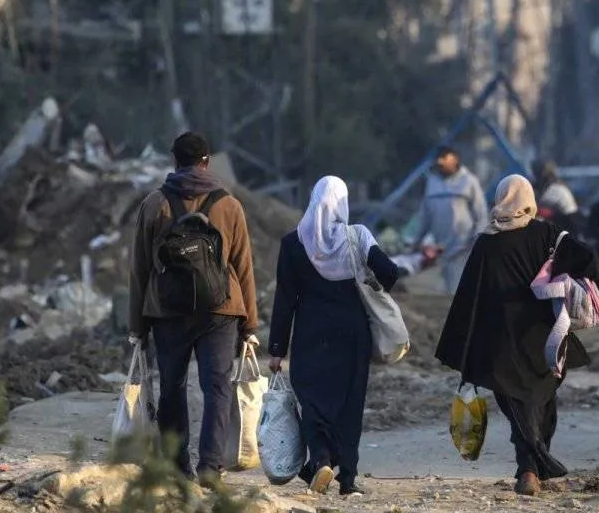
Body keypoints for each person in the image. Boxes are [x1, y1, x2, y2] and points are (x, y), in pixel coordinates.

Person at [435, 176, 599, 496]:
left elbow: (469, 298)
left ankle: (531, 468)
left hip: (500, 342)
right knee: (541, 403)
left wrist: (464, 349)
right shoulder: (548, 235)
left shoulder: (486, 242)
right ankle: (532, 468)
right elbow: (591, 262)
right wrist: (585, 292)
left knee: (519, 409)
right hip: (544, 339)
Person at [128, 132, 258, 483]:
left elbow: (139, 269)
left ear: (174, 161)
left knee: (173, 386)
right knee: (217, 385)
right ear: (207, 161)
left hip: (167, 311)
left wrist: (137, 326)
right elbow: (243, 266)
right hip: (221, 310)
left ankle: (177, 465)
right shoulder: (229, 205)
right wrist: (250, 324)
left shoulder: (155, 204)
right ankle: (210, 466)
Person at [268, 176, 398, 496]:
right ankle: (348, 479)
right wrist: (367, 280)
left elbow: (284, 299)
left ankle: (322, 459)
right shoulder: (358, 236)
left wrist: (276, 349)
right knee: (349, 403)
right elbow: (391, 273)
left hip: (310, 332)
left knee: (312, 400)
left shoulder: (293, 242)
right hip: (351, 333)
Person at [415, 146, 489, 294]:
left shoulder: (469, 181)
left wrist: (476, 241)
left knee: (458, 290)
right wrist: (416, 241)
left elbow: (481, 215)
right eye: (439, 162)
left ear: (454, 160)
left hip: (462, 248)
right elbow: (425, 216)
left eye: (444, 161)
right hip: (438, 249)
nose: (441, 165)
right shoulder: (432, 183)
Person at [536, 163, 583, 231]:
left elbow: (541, 201)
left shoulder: (556, 187)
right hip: (567, 219)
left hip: (568, 220)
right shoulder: (557, 185)